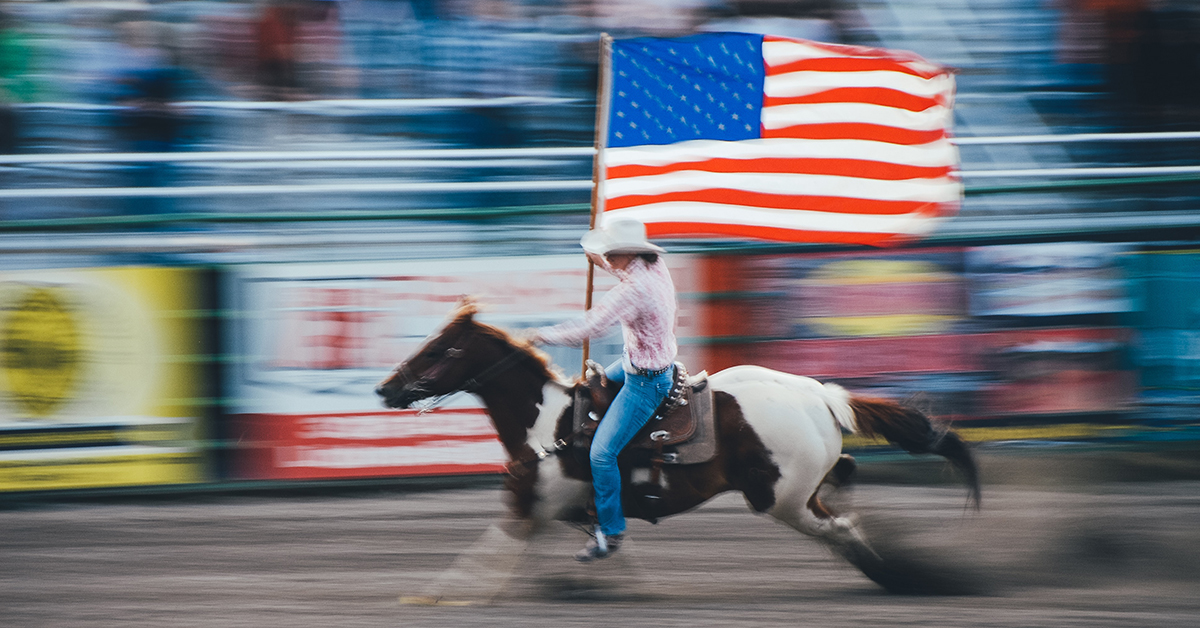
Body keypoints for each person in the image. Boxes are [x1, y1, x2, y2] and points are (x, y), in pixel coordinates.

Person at [527, 219, 678, 562]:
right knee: (585, 394)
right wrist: (598, 256)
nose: (606, 260)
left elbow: (590, 327)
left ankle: (610, 531)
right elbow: (620, 273)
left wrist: (540, 335)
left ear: (623, 253)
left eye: (610, 254)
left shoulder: (633, 290)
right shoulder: (654, 269)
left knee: (601, 453)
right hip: (642, 363)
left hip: (646, 381)